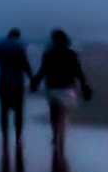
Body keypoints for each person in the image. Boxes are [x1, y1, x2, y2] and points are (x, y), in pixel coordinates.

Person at [30, 28, 93, 158]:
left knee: (54, 114)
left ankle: (54, 136)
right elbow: (78, 71)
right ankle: (61, 142)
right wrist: (84, 84)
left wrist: (34, 82)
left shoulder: (48, 54)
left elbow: (42, 71)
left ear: (53, 40)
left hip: (52, 87)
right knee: (63, 116)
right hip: (67, 88)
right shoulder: (71, 54)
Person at [0, 27, 36, 159]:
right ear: (18, 36)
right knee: (18, 112)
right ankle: (18, 138)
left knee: (4, 111)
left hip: (3, 83)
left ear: (8, 35)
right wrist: (32, 78)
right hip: (17, 84)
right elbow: (25, 64)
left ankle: (5, 137)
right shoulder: (20, 46)